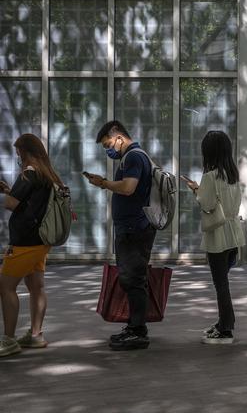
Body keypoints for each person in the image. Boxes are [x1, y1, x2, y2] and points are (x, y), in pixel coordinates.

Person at [85, 120, 156, 351]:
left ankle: (138, 331)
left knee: (133, 278)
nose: (108, 150)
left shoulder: (134, 157)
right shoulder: (133, 156)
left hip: (135, 229)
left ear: (118, 138)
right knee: (131, 277)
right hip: (132, 228)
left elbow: (128, 188)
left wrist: (104, 183)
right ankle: (134, 327)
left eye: (108, 144)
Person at [0, 134, 64, 357]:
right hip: (40, 241)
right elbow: (30, 203)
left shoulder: (29, 173)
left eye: (19, 153)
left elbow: (11, 205)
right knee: (36, 287)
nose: (18, 157)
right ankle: (35, 335)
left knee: (5, 286)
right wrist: (11, 190)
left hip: (24, 241)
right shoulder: (47, 174)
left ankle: (8, 340)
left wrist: (8, 195)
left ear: (26, 152)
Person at [183, 131, 245, 345]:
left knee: (221, 283)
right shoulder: (233, 175)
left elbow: (207, 203)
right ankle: (224, 323)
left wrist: (195, 191)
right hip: (233, 231)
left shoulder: (210, 176)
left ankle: (226, 328)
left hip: (218, 234)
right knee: (223, 281)